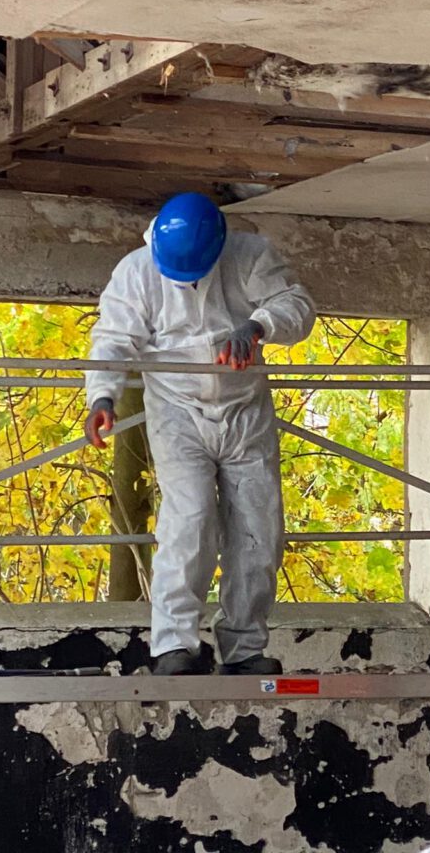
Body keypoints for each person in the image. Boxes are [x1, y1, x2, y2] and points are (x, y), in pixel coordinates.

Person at [83, 193, 315, 676]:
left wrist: (257, 326)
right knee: (188, 523)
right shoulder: (137, 271)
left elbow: (297, 306)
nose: (188, 281)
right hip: (176, 411)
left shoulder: (250, 255)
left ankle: (245, 648)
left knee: (259, 529)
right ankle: (174, 646)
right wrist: (102, 397)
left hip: (245, 410)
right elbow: (113, 339)